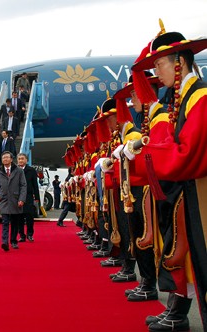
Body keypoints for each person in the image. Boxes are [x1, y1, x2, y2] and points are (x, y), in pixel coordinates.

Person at [129, 27, 207, 331]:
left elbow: (188, 152)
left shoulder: (198, 96)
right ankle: (178, 311)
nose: (156, 75)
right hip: (190, 192)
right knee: (191, 261)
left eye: (159, 65)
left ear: (180, 62)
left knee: (197, 260)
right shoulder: (183, 98)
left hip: (199, 193)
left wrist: (144, 155)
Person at [0, 151, 26, 250]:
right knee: (5, 221)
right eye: (3, 158)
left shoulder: (19, 171)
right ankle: (4, 242)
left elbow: (23, 186)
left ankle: (13, 240)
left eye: (7, 157)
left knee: (15, 222)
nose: (5, 159)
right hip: (3, 199)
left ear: (11, 159)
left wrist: (22, 199)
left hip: (15, 200)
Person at [17, 153, 40, 242]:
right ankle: (22, 235)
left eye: (22, 159)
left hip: (28, 196)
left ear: (26, 160)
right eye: (19, 159)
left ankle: (30, 234)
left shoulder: (31, 170)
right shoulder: (15, 170)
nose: (21, 161)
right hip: (17, 197)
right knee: (19, 217)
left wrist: (37, 197)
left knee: (30, 216)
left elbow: (35, 184)